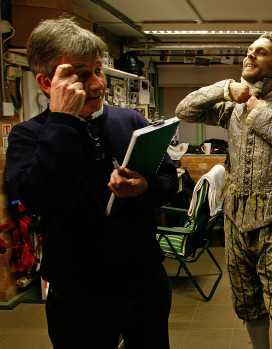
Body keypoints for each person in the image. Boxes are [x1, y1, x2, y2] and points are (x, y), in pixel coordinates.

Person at [5, 18, 178, 348]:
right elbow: (46, 200)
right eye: (82, 75)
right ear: (46, 82)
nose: (98, 84)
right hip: (78, 291)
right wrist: (63, 121)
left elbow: (169, 181)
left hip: (143, 280)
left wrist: (144, 188)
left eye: (99, 70)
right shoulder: (28, 136)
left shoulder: (131, 121)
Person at [175, 33, 272, 349]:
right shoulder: (234, 105)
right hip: (236, 218)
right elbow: (184, 111)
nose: (250, 55)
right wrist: (224, 89)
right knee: (247, 300)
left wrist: (262, 116)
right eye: (248, 51)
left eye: (261, 52)